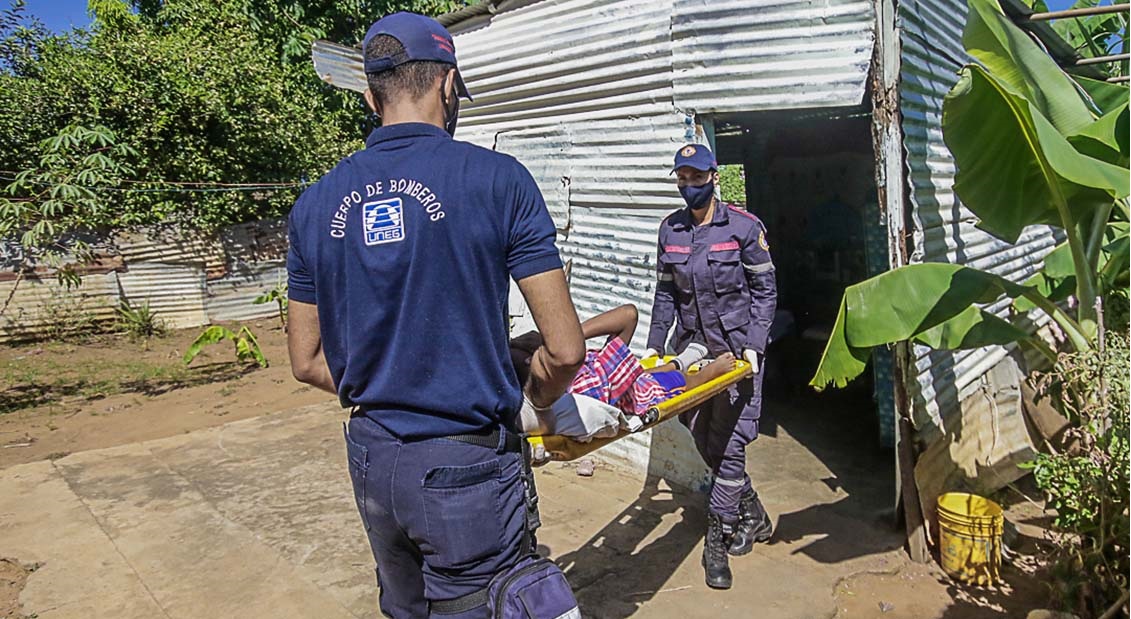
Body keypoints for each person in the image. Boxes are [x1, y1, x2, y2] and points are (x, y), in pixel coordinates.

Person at [285, 12, 585, 618]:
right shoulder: (499, 180)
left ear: (371, 95)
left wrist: (391, 387)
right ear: (448, 85)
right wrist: (536, 392)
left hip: (372, 457)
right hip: (466, 465)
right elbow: (566, 350)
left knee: (404, 607)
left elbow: (305, 360)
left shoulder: (314, 204)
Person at [644, 143, 777, 590]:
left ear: (713, 177)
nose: (688, 186)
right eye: (681, 178)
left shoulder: (742, 228)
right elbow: (665, 295)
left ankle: (716, 539)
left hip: (738, 355)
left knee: (733, 444)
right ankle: (753, 511)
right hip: (693, 357)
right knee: (704, 439)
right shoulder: (670, 230)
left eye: (696, 178)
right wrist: (653, 347)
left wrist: (755, 345)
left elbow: (765, 294)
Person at [510, 304, 737, 435]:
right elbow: (628, 315)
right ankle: (701, 371)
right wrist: (567, 340)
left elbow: (629, 315)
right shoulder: (585, 390)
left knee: (640, 373)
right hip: (631, 391)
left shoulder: (576, 371)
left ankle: (675, 363)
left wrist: (567, 340)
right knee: (678, 382)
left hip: (619, 375)